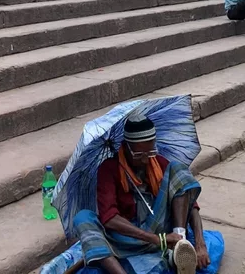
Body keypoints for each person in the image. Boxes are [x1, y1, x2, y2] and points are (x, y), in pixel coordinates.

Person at [73, 114, 211, 274]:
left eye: (150, 152)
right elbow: (109, 218)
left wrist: (200, 244)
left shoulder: (158, 162)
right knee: (83, 218)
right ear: (126, 147)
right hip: (129, 237)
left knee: (178, 170)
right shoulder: (109, 169)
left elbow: (190, 203)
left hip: (162, 230)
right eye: (139, 155)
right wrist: (157, 240)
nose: (146, 160)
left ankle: (179, 244)